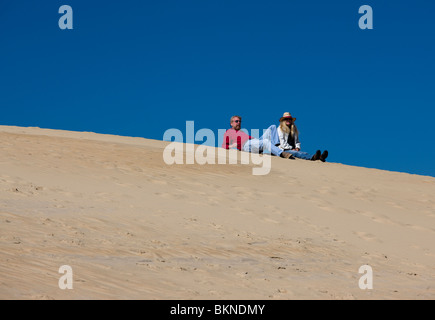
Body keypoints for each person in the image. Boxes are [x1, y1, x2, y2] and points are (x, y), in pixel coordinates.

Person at [222, 115, 294, 159]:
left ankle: (275, 146)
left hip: (254, 142)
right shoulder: (229, 132)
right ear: (231, 123)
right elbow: (224, 146)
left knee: (272, 127)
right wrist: (232, 145)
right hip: (246, 146)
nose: (238, 123)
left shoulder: (241, 132)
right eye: (236, 121)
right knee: (265, 142)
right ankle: (281, 153)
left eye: (240, 121)